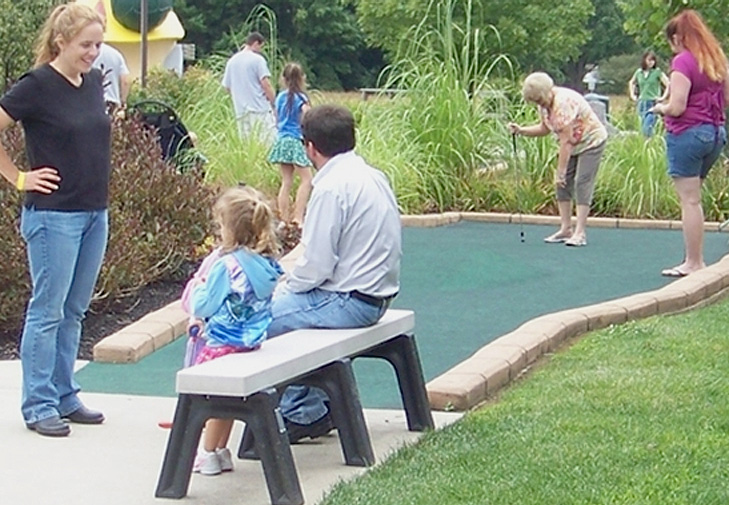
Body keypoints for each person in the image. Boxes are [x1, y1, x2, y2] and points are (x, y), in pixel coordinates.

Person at [0, 3, 110, 437]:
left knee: (74, 309)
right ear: (61, 41)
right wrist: (19, 177)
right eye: (85, 44)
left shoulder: (92, 81)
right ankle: (39, 402)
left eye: (98, 45)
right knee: (47, 310)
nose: (92, 53)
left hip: (93, 212)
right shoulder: (37, 85)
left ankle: (65, 393)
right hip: (53, 217)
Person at [267, 104, 402, 442]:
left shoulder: (329, 188)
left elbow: (316, 266)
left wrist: (285, 285)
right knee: (291, 312)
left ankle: (302, 411)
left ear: (309, 147)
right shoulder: (373, 176)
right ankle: (318, 399)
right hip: (377, 295)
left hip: (349, 302)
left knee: (262, 317)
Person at [185, 186, 283, 475]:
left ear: (230, 229)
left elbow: (204, 305)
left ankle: (206, 454)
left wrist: (196, 288)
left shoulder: (226, 266)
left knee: (212, 401)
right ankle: (221, 451)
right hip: (250, 342)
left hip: (221, 343)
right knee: (227, 401)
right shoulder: (266, 264)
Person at [651, 10, 728, 277]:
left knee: (690, 201)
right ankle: (694, 259)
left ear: (677, 37)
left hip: (688, 134)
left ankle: (694, 262)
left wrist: (660, 108)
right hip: (715, 134)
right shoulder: (716, 60)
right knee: (695, 197)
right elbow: (726, 100)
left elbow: (678, 105)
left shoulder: (683, 62)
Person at [508, 72, 608, 247]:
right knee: (561, 184)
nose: (539, 104)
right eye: (536, 102)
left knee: (581, 182)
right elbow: (544, 129)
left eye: (540, 100)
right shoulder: (545, 105)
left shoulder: (563, 102)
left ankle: (580, 232)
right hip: (573, 144)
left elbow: (566, 142)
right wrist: (521, 130)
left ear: (548, 91)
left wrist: (560, 172)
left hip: (591, 141)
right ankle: (566, 229)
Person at [268, 62, 312, 226]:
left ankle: (284, 219)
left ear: (283, 79)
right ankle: (298, 217)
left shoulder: (280, 97)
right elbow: (307, 117)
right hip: (295, 140)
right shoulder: (301, 98)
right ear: (302, 79)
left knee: (286, 180)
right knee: (306, 179)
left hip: (281, 140)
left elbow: (277, 118)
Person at [221, 31, 277, 143]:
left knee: (246, 143)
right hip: (259, 109)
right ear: (256, 43)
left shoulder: (232, 61)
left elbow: (227, 87)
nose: (260, 50)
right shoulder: (258, 60)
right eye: (261, 47)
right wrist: (274, 103)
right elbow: (266, 84)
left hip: (240, 110)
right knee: (267, 142)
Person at [628, 51, 670, 137]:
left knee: (647, 128)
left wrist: (663, 97)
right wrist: (633, 95)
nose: (651, 62)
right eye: (649, 60)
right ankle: (645, 147)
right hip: (641, 102)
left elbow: (668, 84)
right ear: (644, 60)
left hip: (652, 102)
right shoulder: (639, 72)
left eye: (653, 60)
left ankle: (649, 144)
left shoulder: (657, 72)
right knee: (641, 126)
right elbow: (631, 82)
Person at [92, 42, 130, 112]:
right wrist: (123, 102)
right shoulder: (116, 54)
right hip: (113, 103)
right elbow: (125, 81)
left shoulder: (88, 54)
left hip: (93, 103)